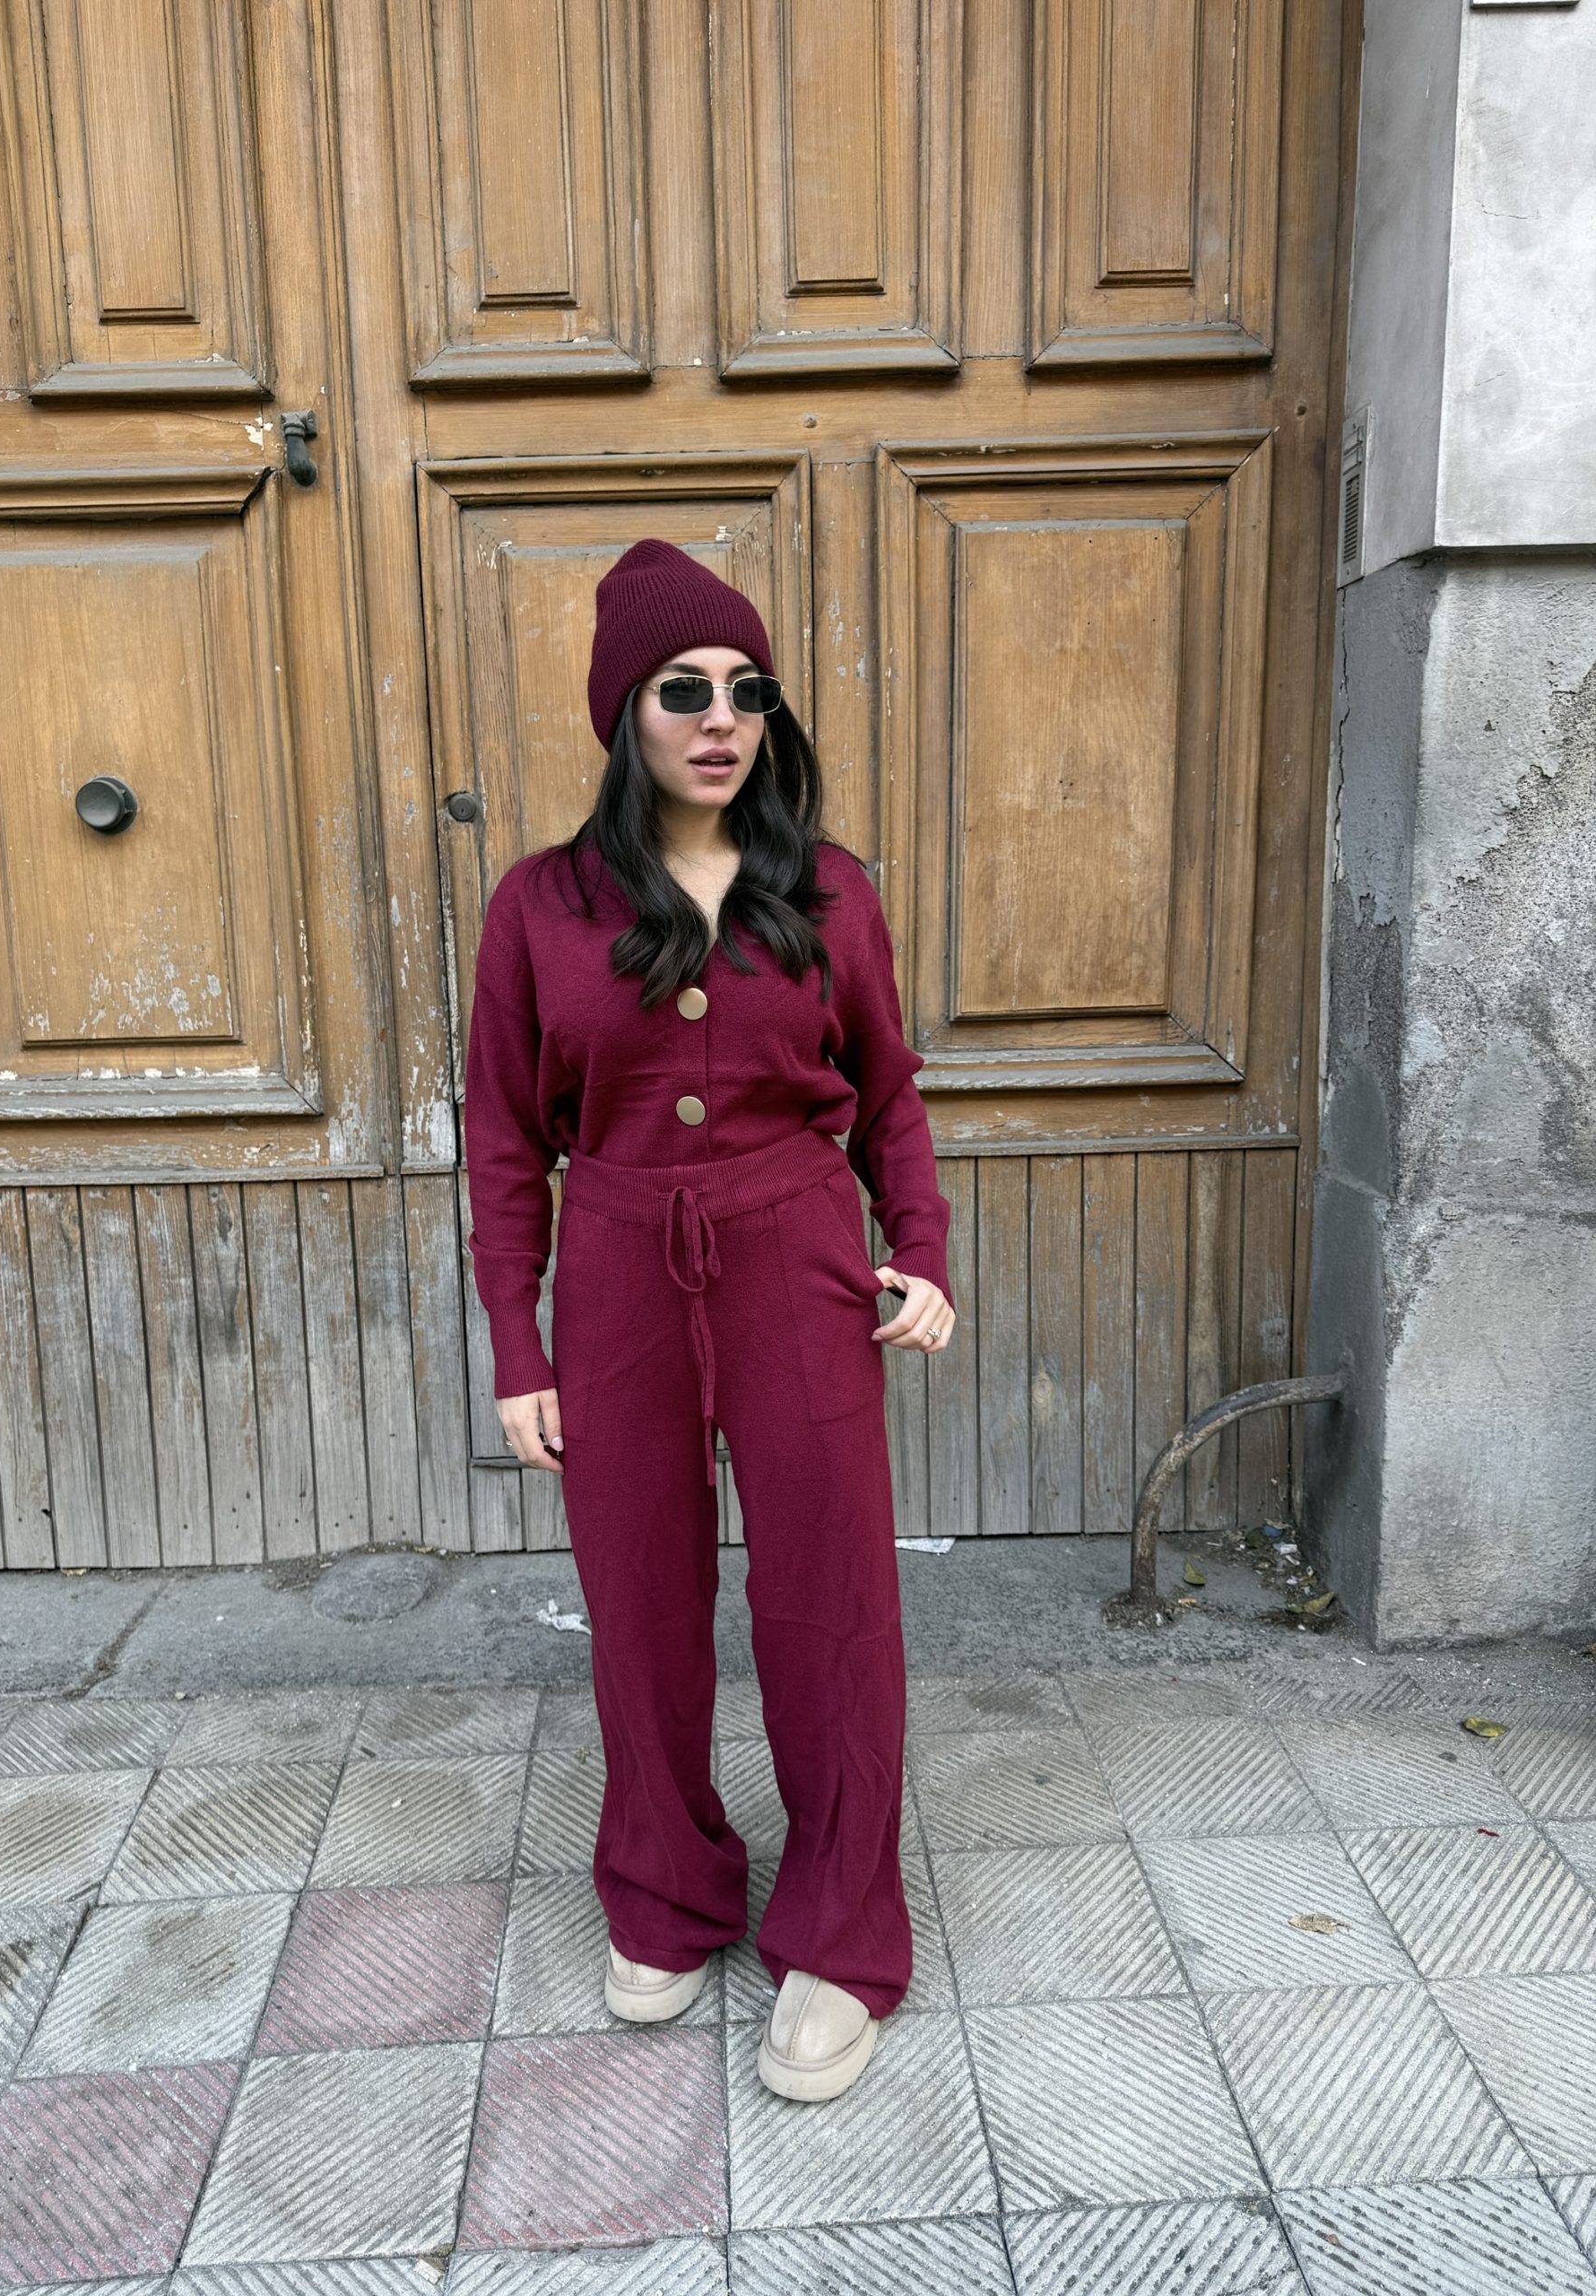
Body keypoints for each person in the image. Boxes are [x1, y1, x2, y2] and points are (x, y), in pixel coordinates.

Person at [463, 537, 957, 2102]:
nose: (722, 718)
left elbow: (888, 1094)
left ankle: (839, 1933)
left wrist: (922, 1247)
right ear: (626, 713)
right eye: (684, 690)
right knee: (640, 1600)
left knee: (830, 1599)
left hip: (795, 1253)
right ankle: (669, 1888)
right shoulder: (541, 906)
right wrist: (519, 1343)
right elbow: (502, 1139)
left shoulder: (830, 889)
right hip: (616, 1264)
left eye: (748, 690)